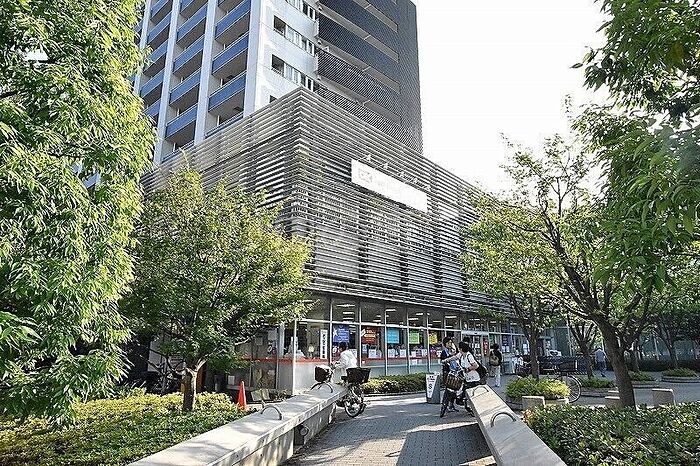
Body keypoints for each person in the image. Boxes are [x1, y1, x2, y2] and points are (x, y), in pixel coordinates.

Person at [442, 341, 480, 415]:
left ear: (461, 349)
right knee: (462, 392)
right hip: (466, 378)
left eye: (459, 348)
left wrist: (468, 369)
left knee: (467, 394)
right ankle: (466, 405)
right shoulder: (461, 355)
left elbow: (476, 366)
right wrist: (445, 360)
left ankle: (472, 409)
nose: (458, 349)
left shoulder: (469, 356)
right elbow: (454, 357)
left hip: (473, 379)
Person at [439, 337, 458, 412]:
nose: (450, 344)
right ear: (445, 344)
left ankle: (451, 405)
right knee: (448, 389)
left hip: (455, 372)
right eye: (448, 343)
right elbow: (443, 361)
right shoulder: (444, 352)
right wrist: (450, 356)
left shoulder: (454, 351)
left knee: (454, 389)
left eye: (451, 342)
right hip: (447, 372)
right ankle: (445, 405)